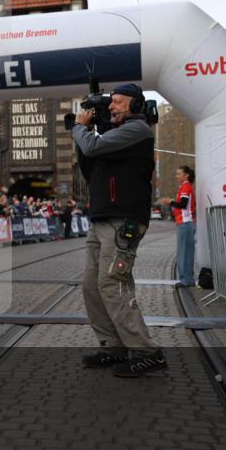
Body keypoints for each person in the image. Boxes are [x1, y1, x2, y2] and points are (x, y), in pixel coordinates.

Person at [73, 83, 166, 378]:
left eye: (119, 102)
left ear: (136, 106)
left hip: (122, 221)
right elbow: (89, 164)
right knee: (91, 285)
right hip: (101, 219)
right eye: (110, 103)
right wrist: (87, 135)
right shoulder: (113, 136)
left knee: (114, 284)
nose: (112, 107)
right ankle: (113, 345)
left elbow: (93, 146)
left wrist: (80, 129)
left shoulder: (137, 130)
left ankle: (146, 351)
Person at [159, 165, 197, 289]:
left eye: (179, 174)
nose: (177, 176)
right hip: (185, 223)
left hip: (185, 223)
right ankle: (187, 279)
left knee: (184, 252)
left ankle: (186, 280)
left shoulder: (186, 186)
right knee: (186, 252)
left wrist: (169, 201)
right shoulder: (185, 186)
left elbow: (183, 204)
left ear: (186, 175)